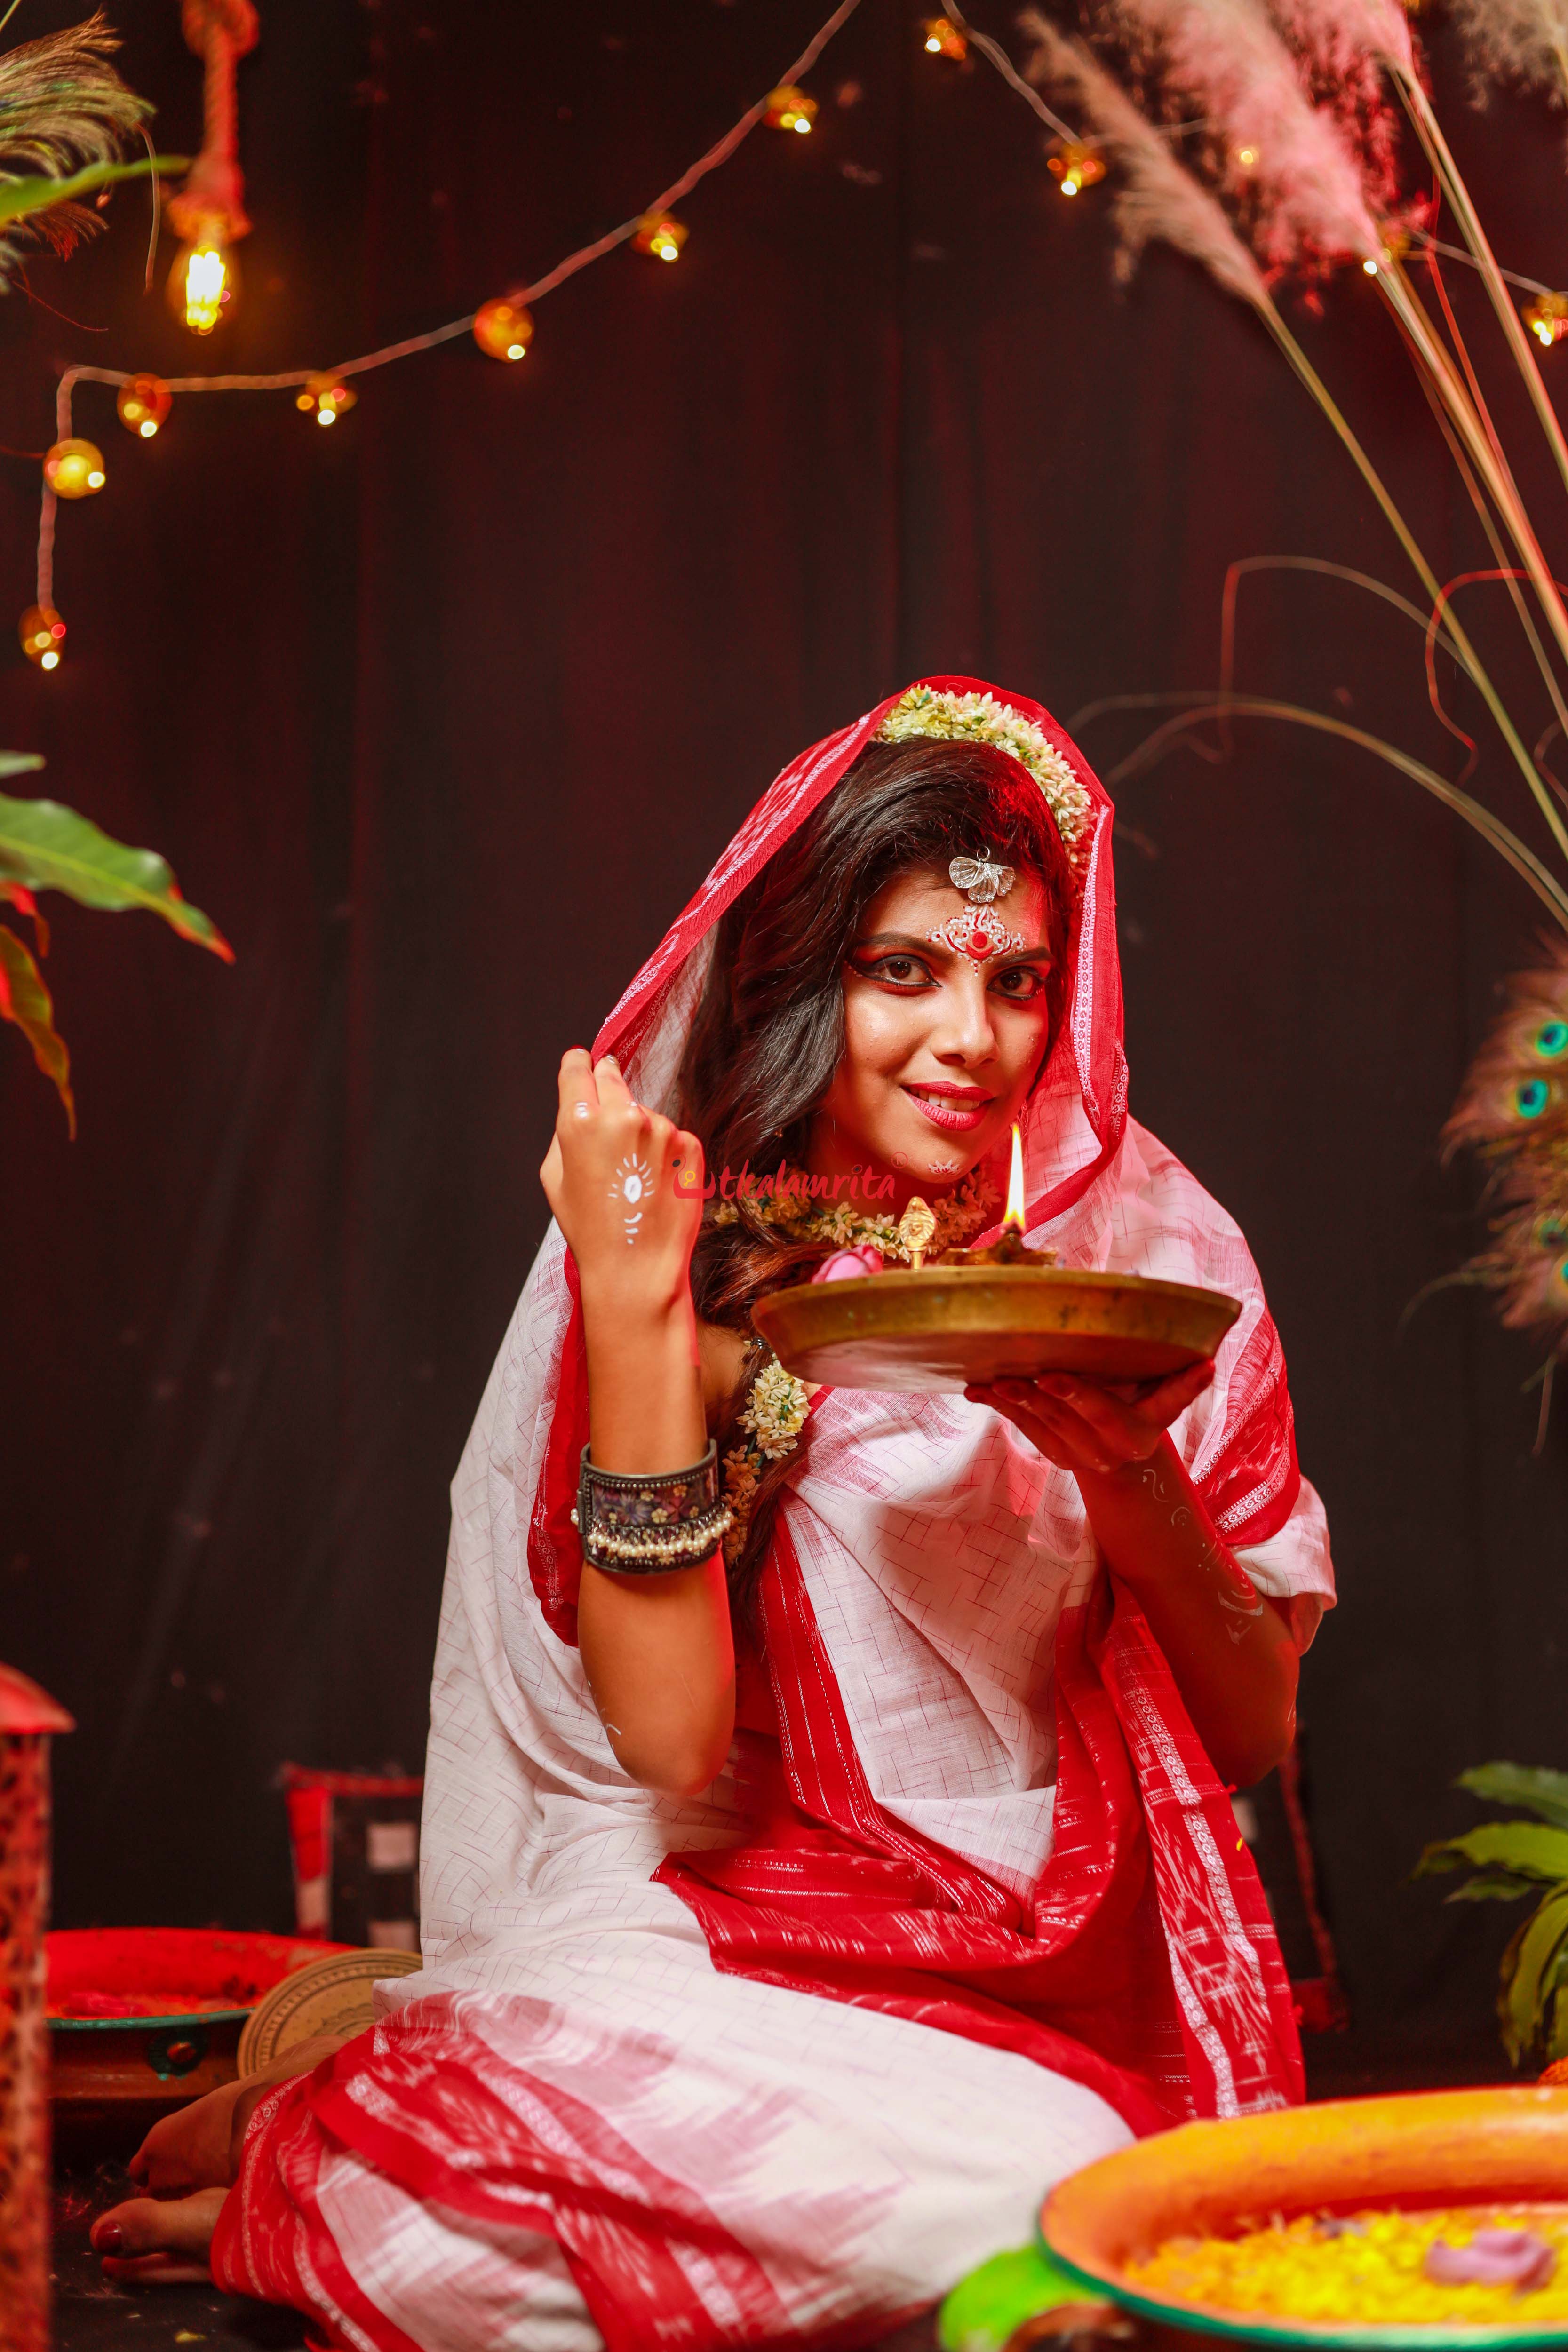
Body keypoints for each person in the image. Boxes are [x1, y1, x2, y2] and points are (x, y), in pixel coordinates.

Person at [94, 678, 1333, 2352]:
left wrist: (1125, 1467)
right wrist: (633, 1309)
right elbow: (673, 1750)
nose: (974, 1037)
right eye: (906, 969)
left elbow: (1249, 1730)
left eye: (1019, 981)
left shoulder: (1154, 1268)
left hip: (1060, 1955)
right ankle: (366, 2130)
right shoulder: (698, 1251)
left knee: (1043, 2197)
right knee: (543, 2239)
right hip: (741, 1931)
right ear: (804, 974)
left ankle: (364, 2115)